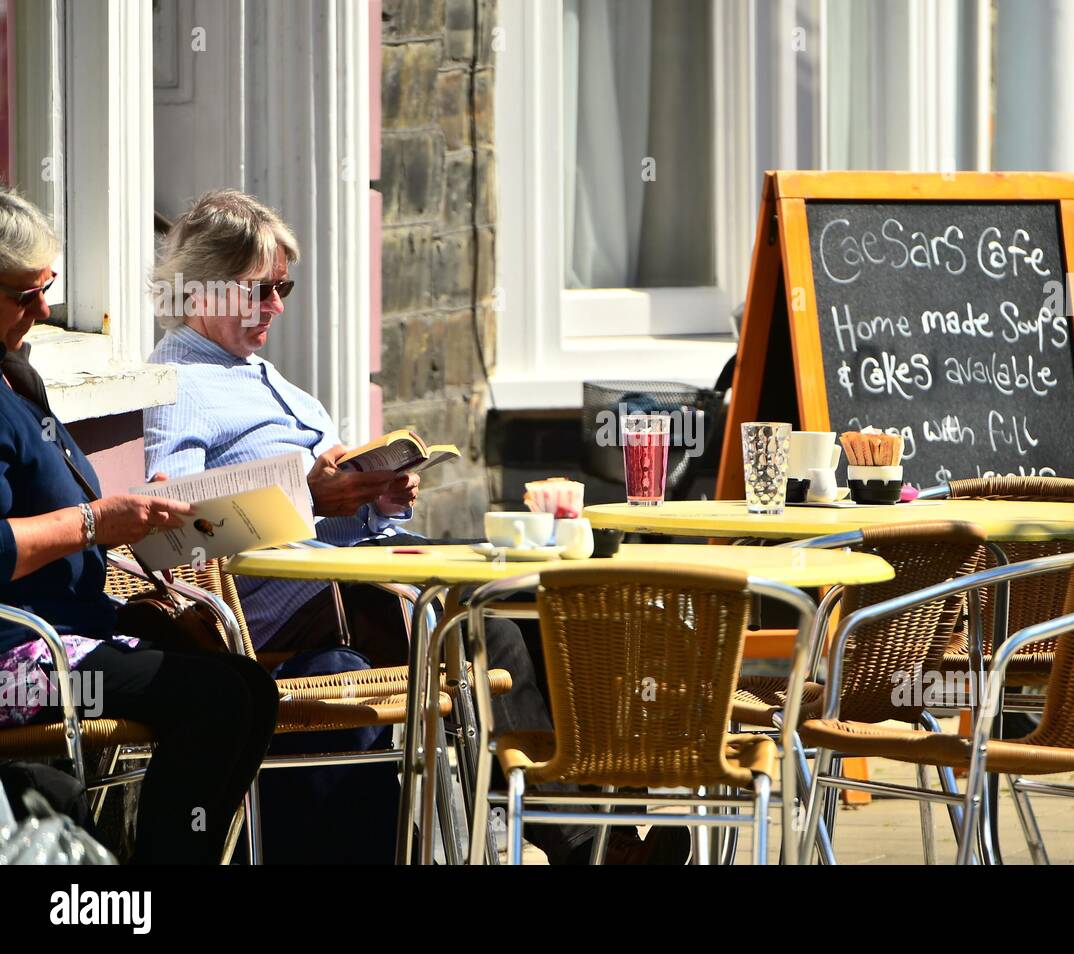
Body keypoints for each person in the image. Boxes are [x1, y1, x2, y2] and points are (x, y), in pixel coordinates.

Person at [144, 189, 686, 864]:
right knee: (486, 624)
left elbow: (324, 515)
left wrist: (375, 495)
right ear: (208, 288)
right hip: (278, 609)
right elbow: (172, 526)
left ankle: (599, 819)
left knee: (539, 608)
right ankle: (586, 843)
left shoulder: (260, 375)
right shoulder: (178, 384)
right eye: (260, 291)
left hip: (344, 583)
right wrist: (310, 496)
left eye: (283, 286)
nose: (277, 307)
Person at [0, 186, 279, 864]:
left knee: (246, 686)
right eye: (23, 296)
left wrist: (150, 525)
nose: (42, 311)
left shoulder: (16, 377)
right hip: (15, 659)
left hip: (71, 629)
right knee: (214, 700)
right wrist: (97, 522)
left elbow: (74, 515)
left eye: (48, 291)